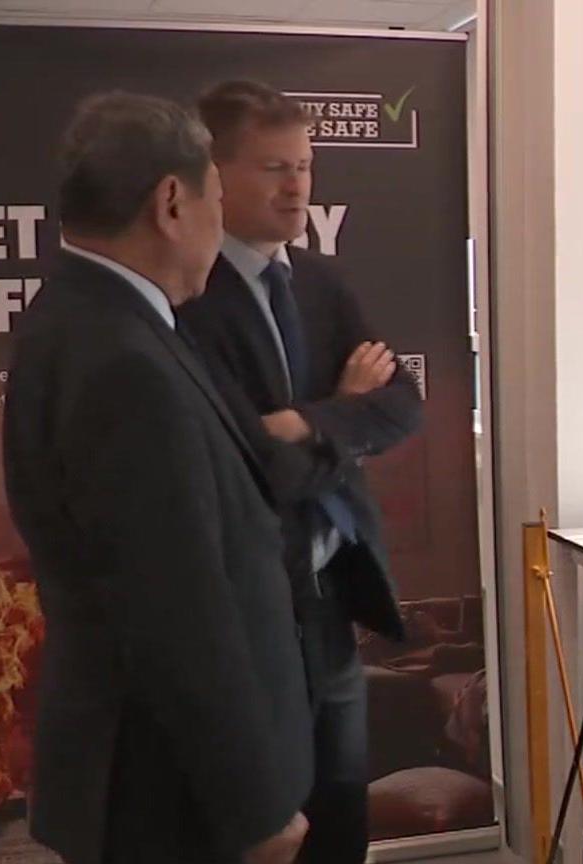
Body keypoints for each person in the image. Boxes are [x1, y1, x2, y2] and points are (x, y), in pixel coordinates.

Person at [2, 92, 313, 864]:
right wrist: (256, 811)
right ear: (173, 201)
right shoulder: (121, 363)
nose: (223, 214)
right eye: (216, 190)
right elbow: (177, 612)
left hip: (153, 779)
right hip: (173, 800)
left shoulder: (89, 317)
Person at [178, 79, 423, 863]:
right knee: (268, 827)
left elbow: (403, 404)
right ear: (214, 174)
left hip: (330, 599)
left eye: (306, 166)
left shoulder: (317, 281)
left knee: (342, 815)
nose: (296, 187)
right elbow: (248, 468)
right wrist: (334, 422)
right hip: (252, 605)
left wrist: (314, 420)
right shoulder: (187, 294)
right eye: (273, 167)